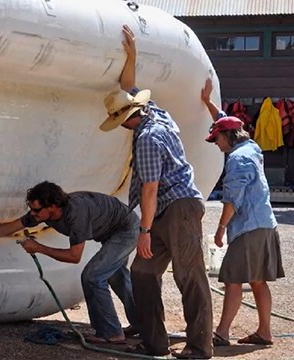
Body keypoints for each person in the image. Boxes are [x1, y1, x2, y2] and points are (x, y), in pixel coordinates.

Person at [98, 25, 213, 359]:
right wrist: (132, 56)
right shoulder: (156, 114)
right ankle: (154, 342)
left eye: (118, 118)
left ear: (128, 117)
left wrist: (144, 231)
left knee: (189, 276)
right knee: (142, 273)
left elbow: (150, 188)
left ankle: (199, 347)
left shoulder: (147, 139)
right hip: (169, 208)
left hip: (174, 208)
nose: (117, 123)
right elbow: (128, 87)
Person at [0, 181, 139, 344]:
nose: (33, 214)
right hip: (111, 232)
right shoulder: (42, 214)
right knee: (117, 277)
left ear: (52, 207)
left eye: (36, 210)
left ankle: (111, 333)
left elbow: (74, 257)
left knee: (92, 276)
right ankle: (141, 323)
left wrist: (39, 248)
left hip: (125, 230)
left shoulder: (76, 213)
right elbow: (12, 226)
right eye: (32, 209)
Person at [201, 78, 285, 347]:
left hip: (248, 227)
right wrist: (208, 103)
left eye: (217, 139)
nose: (216, 143)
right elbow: (227, 120)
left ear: (227, 137)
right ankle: (264, 333)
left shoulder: (237, 160)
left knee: (233, 279)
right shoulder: (252, 147)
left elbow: (232, 200)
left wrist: (220, 229)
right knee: (258, 281)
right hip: (265, 224)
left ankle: (222, 333)